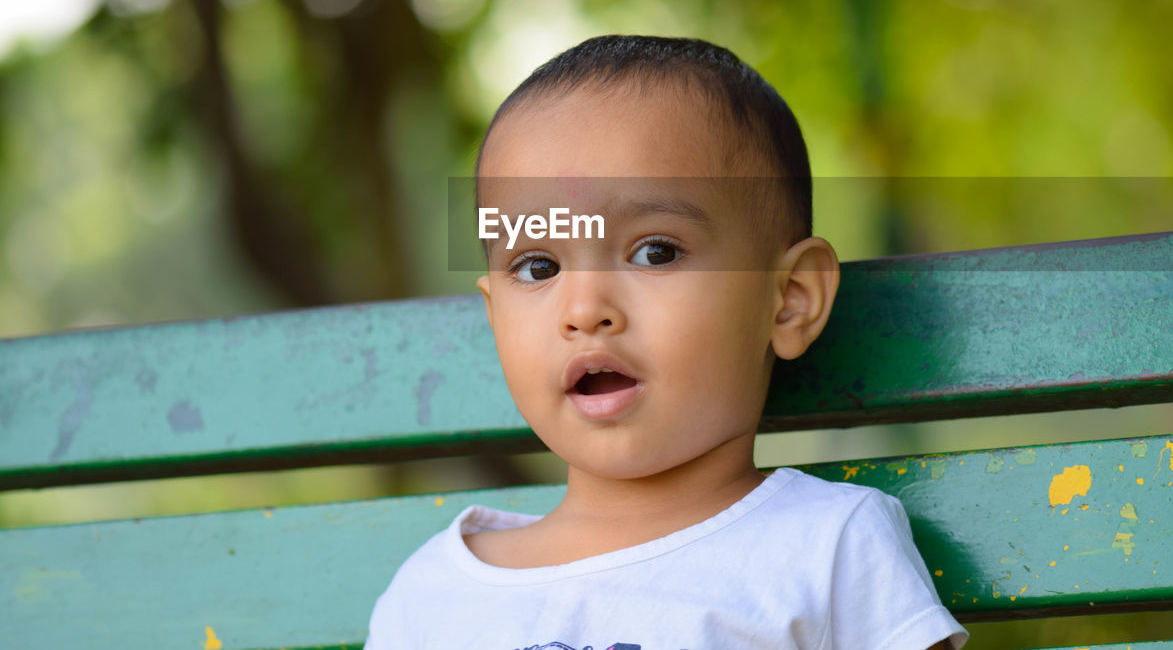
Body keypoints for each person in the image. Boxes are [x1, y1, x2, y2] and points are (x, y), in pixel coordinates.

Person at [366, 35, 968, 650]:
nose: (584, 310)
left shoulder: (828, 546)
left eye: (655, 253)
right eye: (539, 267)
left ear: (789, 299)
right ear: (494, 319)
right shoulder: (433, 596)